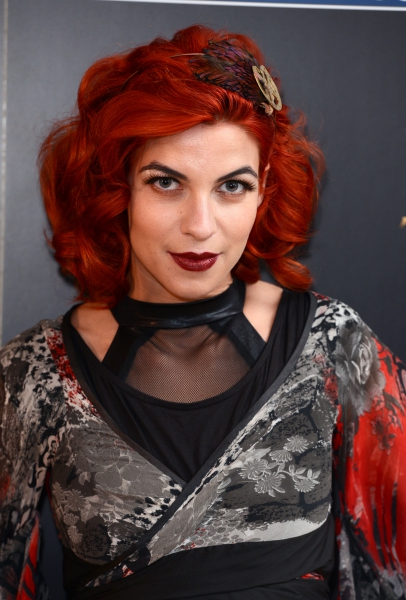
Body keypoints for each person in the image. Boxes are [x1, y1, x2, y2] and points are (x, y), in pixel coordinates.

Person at [0, 23, 405, 600]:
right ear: (119, 186)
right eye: (166, 182)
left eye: (231, 186)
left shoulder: (333, 345)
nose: (200, 225)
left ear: (264, 188)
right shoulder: (34, 375)